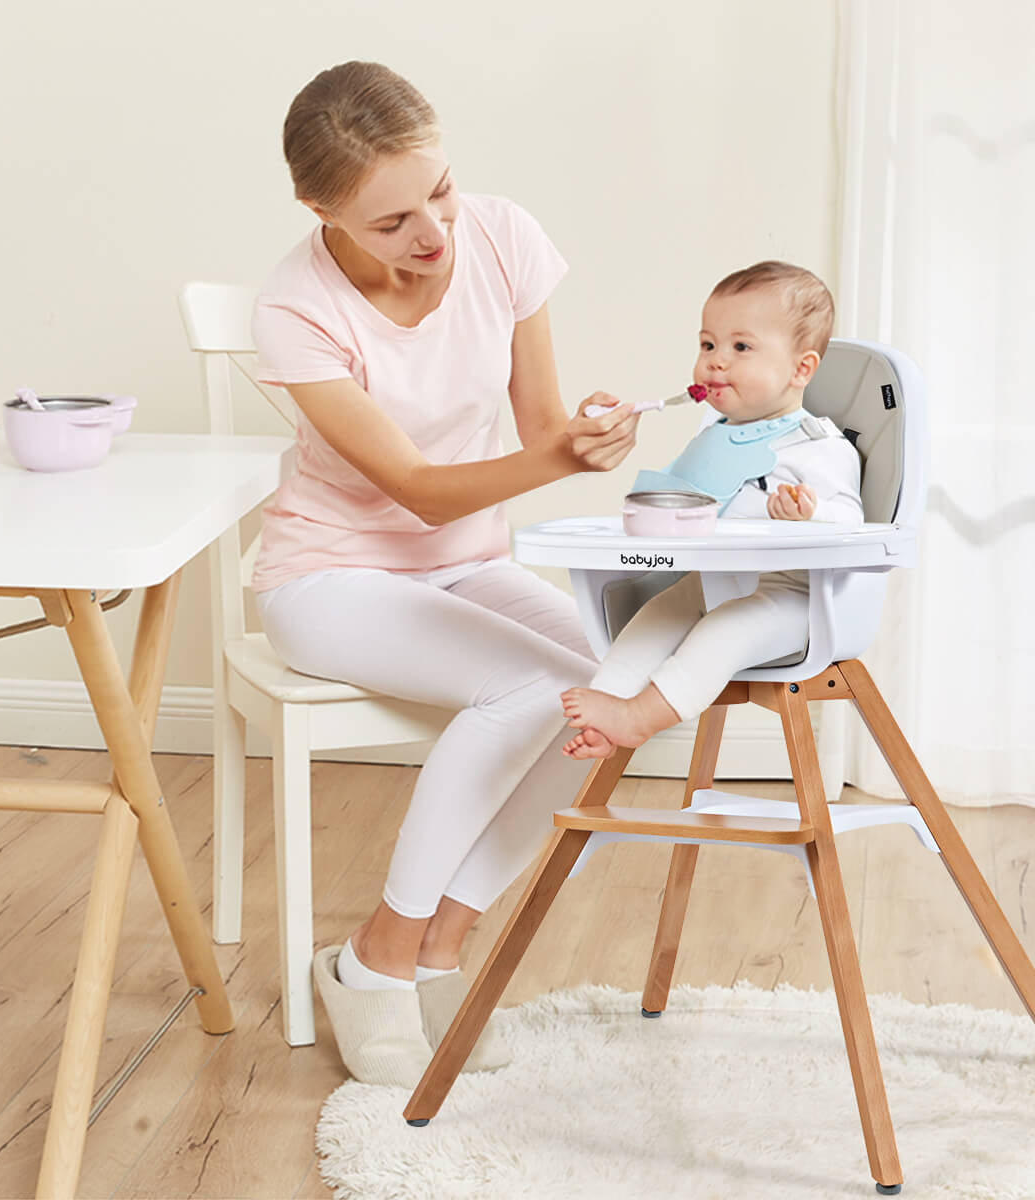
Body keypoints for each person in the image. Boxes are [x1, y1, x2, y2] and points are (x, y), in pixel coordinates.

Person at [250, 61, 641, 1086]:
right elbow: (419, 490)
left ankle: (440, 943)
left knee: (625, 695)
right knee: (527, 688)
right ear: (318, 210)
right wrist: (560, 459)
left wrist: (586, 438)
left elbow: (543, 431)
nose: (431, 233)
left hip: (464, 569)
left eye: (440, 191)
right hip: (327, 577)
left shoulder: (504, 236)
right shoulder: (296, 310)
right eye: (390, 222)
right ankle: (376, 958)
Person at [561, 261, 863, 759]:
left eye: (740, 347)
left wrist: (810, 516)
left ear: (800, 369)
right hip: (715, 582)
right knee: (660, 612)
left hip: (793, 599)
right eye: (708, 345)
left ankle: (638, 719)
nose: (715, 362)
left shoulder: (818, 446)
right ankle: (609, 706)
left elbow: (853, 523)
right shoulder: (713, 434)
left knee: (725, 629)